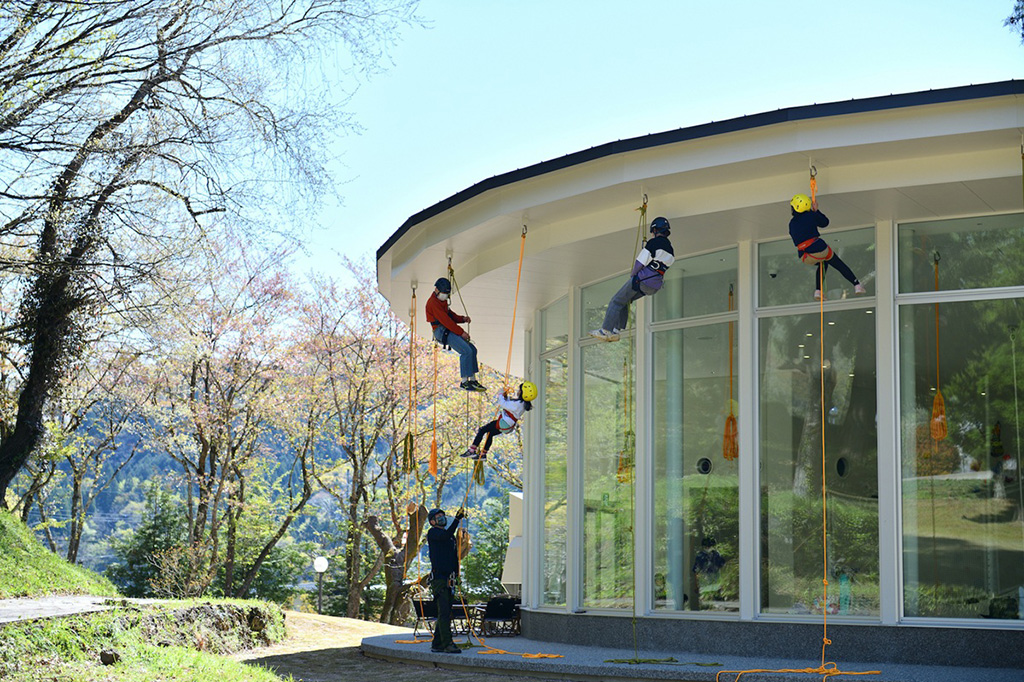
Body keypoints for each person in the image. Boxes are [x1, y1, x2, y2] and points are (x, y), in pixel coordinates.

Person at [589, 216, 674, 341]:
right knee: (625, 301)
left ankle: (605, 330)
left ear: (655, 230)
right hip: (654, 287)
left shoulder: (654, 243)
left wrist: (633, 275)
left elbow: (640, 262)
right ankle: (616, 331)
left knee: (616, 301)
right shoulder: (671, 250)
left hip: (641, 281)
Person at [788, 194, 866, 300]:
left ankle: (818, 291)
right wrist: (816, 211)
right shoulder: (810, 215)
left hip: (804, 256)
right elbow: (825, 223)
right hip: (819, 249)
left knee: (823, 263)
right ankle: (857, 285)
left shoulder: (791, 223)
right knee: (838, 263)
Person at [425, 277, 486, 391]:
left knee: (472, 349)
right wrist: (461, 332)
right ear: (436, 290)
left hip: (446, 329)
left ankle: (472, 380)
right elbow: (446, 320)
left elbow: (450, 314)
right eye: (444, 293)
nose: (445, 296)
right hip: (441, 331)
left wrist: (462, 319)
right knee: (466, 351)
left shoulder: (441, 301)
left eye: (447, 294)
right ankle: (464, 382)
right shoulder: (433, 303)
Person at [461, 381, 537, 460]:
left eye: (520, 390)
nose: (518, 391)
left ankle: (472, 450)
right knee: (490, 434)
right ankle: (483, 454)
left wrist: (500, 394)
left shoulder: (518, 404)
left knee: (482, 430)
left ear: (523, 393)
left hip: (504, 422)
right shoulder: (522, 404)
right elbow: (509, 404)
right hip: (507, 425)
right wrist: (505, 396)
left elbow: (502, 403)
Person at [426, 507, 465, 654]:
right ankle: (447, 643)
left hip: (449, 579)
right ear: (432, 521)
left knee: (446, 612)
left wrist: (456, 574)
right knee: (443, 613)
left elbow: (453, 556)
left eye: (443, 516)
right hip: (440, 579)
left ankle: (437, 643)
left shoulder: (448, 537)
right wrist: (457, 519)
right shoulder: (434, 533)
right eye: (438, 517)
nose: (442, 518)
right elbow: (446, 534)